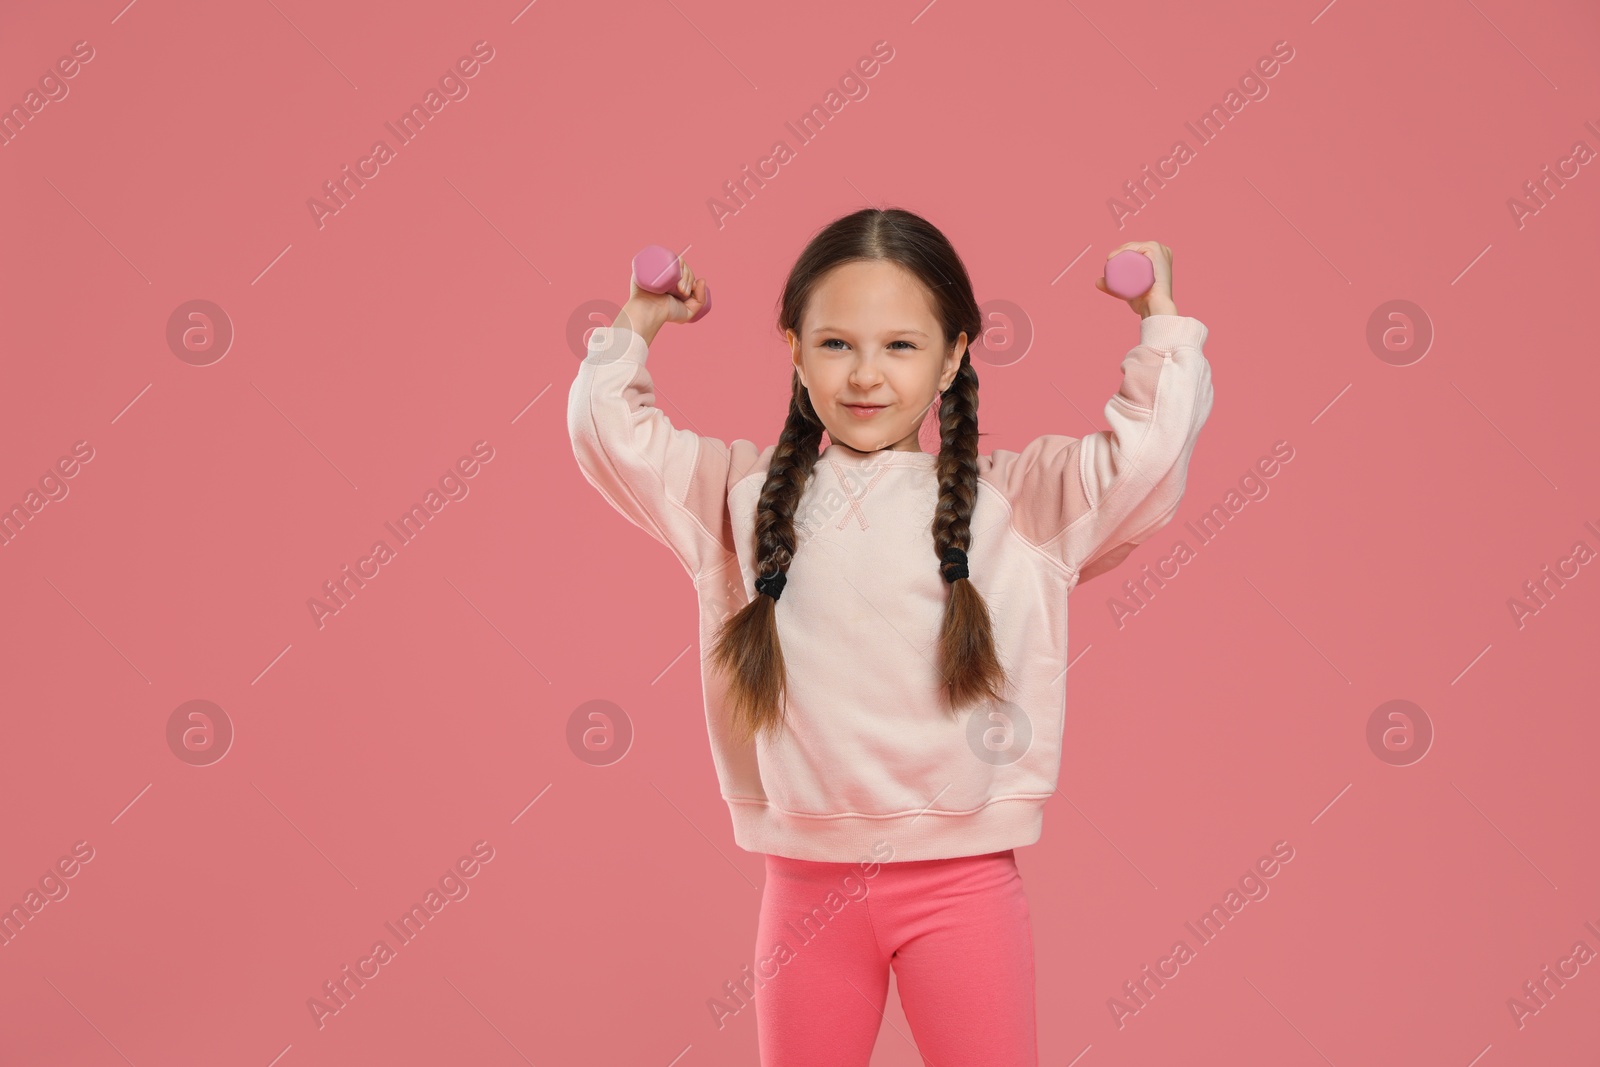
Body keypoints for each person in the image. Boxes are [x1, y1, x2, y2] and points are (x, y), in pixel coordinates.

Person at [567, 207, 1214, 1066]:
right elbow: (610, 435)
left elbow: (1150, 455)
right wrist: (639, 321)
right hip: (803, 889)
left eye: (901, 347)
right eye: (836, 344)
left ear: (953, 356)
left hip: (965, 886)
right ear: (794, 350)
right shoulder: (742, 498)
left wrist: (1159, 322)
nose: (866, 375)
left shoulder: (1017, 505)